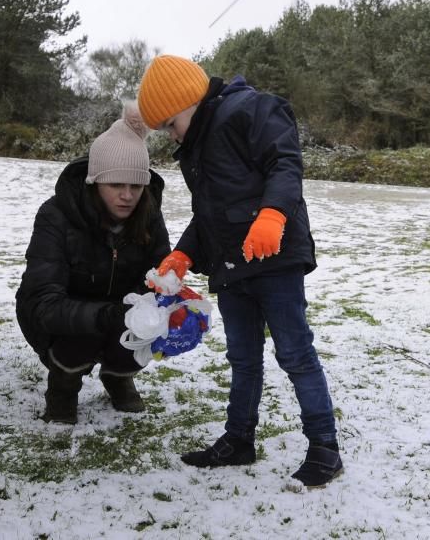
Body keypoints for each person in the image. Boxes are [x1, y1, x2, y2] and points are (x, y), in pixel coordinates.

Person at [136, 54, 343, 488]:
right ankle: (238, 439)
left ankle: (325, 446)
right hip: (232, 267)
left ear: (190, 101)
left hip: (275, 257)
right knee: (243, 358)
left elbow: (285, 163)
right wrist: (182, 256)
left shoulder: (250, 109)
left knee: (295, 353)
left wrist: (273, 215)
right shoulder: (195, 149)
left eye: (171, 123)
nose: (170, 135)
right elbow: (209, 215)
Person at [15, 103, 170, 423]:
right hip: (60, 318)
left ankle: (118, 375)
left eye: (136, 186)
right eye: (116, 185)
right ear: (95, 182)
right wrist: (108, 316)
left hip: (119, 310)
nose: (128, 196)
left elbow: (159, 275)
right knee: (80, 332)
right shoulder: (55, 215)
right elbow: (44, 302)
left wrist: (165, 300)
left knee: (148, 322)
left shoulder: (149, 216)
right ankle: (63, 385)